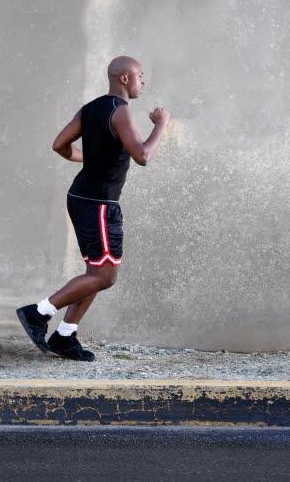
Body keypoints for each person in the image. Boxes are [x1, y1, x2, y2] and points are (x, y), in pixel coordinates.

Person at [16, 56, 170, 361]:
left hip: (83, 198)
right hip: (99, 204)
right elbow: (142, 156)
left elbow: (59, 144)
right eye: (140, 75)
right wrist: (162, 124)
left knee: (96, 272)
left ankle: (64, 336)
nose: (144, 80)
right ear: (124, 79)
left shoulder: (91, 108)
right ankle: (38, 312)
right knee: (104, 276)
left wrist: (90, 158)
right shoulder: (120, 111)